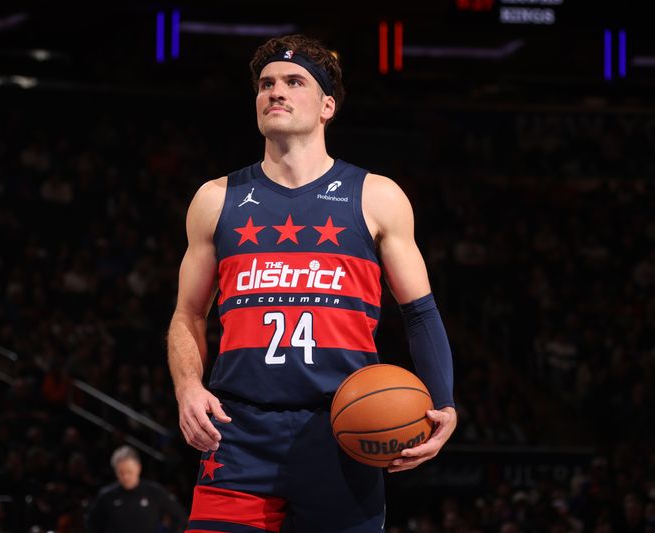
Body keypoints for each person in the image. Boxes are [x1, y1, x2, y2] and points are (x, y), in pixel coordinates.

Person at [167, 34, 457, 532]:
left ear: (327, 106)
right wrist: (188, 386)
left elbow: (420, 311)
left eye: (293, 81)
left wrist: (444, 400)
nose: (275, 92)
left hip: (342, 431)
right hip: (238, 432)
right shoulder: (215, 199)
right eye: (266, 84)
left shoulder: (377, 196)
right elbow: (187, 315)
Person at [86, 446, 187, 533]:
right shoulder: (106, 495)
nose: (126, 476)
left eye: (129, 472)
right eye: (121, 472)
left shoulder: (154, 492)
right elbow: (91, 524)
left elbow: (180, 517)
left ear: (138, 468)